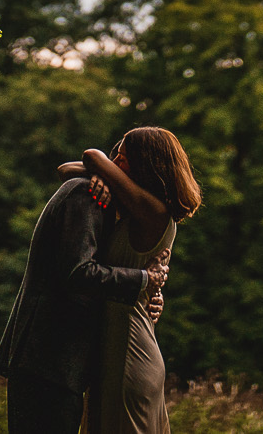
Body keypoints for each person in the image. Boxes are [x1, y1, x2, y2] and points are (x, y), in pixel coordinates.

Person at [0, 149, 167, 434]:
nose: (116, 162)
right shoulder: (88, 194)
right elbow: (78, 271)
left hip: (59, 362)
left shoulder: (109, 202)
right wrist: (143, 279)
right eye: (116, 158)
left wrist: (148, 294)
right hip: (49, 357)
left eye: (124, 158)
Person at [58, 127, 204, 434]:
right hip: (114, 350)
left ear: (146, 165)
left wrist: (101, 170)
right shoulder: (136, 210)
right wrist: (101, 177)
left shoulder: (155, 211)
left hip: (128, 353)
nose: (113, 161)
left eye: (122, 158)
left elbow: (90, 157)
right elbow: (66, 169)